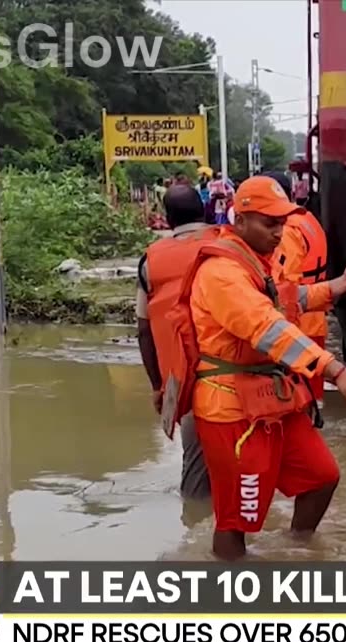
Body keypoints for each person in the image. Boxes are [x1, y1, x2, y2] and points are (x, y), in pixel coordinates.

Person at [153, 176, 346, 560]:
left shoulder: (253, 262)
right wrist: (338, 372)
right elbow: (268, 328)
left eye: (282, 222)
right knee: (236, 520)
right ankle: (234, 600)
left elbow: (286, 299)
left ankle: (296, 551)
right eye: (269, 223)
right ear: (239, 220)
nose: (279, 232)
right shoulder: (223, 273)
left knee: (322, 476)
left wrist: (338, 286)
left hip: (273, 399)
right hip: (232, 411)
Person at [136, 183, 216, 504]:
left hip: (186, 382)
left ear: (168, 220)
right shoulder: (232, 245)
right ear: (206, 210)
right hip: (239, 375)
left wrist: (158, 387)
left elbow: (144, 332)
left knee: (196, 487)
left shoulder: (150, 261)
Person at [262, 171, 332, 405]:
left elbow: (284, 285)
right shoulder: (308, 220)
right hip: (316, 319)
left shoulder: (287, 231)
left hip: (298, 325)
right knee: (312, 401)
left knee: (295, 402)